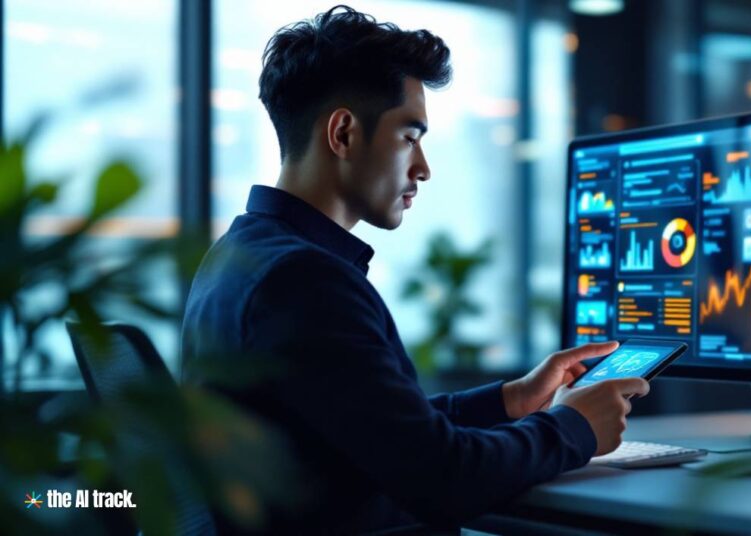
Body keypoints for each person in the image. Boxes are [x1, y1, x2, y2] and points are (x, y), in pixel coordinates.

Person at [182, 5, 649, 533]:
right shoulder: (304, 281)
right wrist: (574, 428)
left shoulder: (240, 257)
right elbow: (443, 476)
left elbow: (378, 430)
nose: (422, 167)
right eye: (409, 136)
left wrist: (509, 401)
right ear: (343, 133)